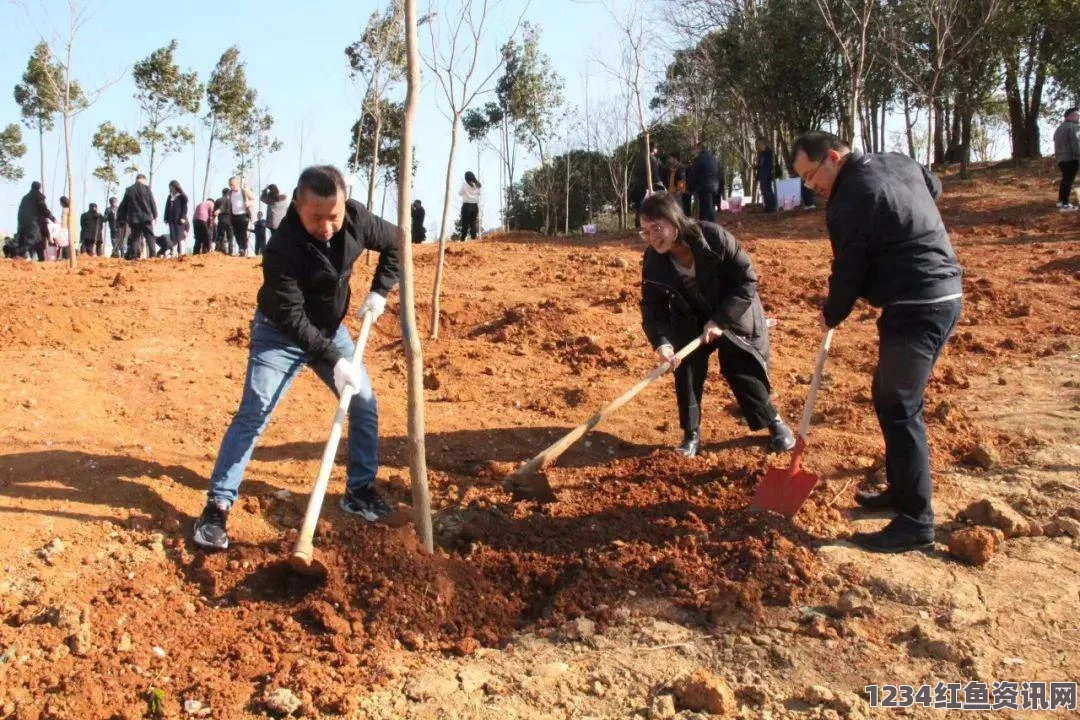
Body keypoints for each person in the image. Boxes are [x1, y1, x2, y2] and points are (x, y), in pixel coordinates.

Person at [192, 165, 402, 551]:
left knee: (365, 403)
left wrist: (381, 290)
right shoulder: (281, 248)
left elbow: (396, 242)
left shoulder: (354, 218)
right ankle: (217, 505)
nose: (326, 226)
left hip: (329, 328)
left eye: (333, 216)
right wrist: (334, 359)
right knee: (256, 408)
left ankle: (359, 491)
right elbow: (291, 317)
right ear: (297, 206)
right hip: (279, 332)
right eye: (316, 218)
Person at [792, 130, 963, 553]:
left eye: (812, 176)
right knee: (889, 397)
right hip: (940, 294)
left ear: (833, 157)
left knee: (901, 406)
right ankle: (901, 493)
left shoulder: (849, 201)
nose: (812, 187)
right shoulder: (899, 162)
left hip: (918, 304)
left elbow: (849, 267)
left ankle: (916, 521)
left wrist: (833, 311)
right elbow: (933, 187)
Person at [639, 192, 795, 458]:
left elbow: (746, 281)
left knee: (738, 367)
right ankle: (691, 435)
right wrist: (663, 343)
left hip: (733, 310)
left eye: (657, 228)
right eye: (645, 231)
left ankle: (774, 422)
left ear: (675, 222)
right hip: (690, 315)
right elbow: (652, 307)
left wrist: (720, 320)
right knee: (686, 368)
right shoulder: (654, 260)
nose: (653, 237)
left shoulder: (713, 238)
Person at [117, 174, 158, 260]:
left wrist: (122, 217)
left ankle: (134, 255)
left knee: (135, 237)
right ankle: (153, 255)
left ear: (136, 179)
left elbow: (124, 205)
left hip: (134, 218)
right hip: (146, 216)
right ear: (143, 179)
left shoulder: (129, 189)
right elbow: (152, 202)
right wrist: (155, 215)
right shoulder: (147, 189)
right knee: (150, 236)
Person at [15, 181, 55, 260]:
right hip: (35, 224)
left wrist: (20, 225)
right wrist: (52, 218)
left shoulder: (25, 198)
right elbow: (43, 209)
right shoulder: (39, 197)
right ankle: (21, 256)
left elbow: (20, 212)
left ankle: (38, 259)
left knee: (31, 243)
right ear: (39, 188)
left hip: (23, 225)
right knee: (34, 241)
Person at [1053, 107, 1079, 211]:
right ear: (1070, 116)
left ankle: (1061, 202)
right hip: (1071, 158)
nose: (1078, 117)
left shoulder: (1059, 128)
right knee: (1068, 181)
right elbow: (1076, 143)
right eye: (1076, 114)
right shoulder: (1073, 127)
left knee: (1065, 180)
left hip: (1061, 159)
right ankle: (1064, 204)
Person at [687, 143, 721, 222]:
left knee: (708, 209)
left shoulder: (699, 159)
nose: (695, 151)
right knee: (705, 208)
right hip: (715, 186)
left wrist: (689, 188)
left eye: (696, 149)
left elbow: (694, 174)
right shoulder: (714, 158)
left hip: (704, 187)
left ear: (699, 149)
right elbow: (720, 172)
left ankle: (714, 228)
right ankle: (702, 226)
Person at [228, 176, 255, 255]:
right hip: (234, 216)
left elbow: (253, 200)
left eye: (232, 184)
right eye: (230, 185)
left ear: (237, 183)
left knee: (242, 232)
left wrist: (249, 203)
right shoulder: (229, 193)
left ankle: (242, 248)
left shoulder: (245, 191)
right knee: (236, 233)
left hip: (243, 215)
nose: (231, 186)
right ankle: (241, 247)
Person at [163, 180, 189, 256]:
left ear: (175, 187)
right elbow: (166, 208)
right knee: (173, 236)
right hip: (171, 219)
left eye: (171, 187)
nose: (170, 189)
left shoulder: (182, 197)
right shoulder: (170, 197)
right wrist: (165, 218)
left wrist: (183, 217)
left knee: (180, 236)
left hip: (179, 219)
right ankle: (174, 252)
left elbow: (185, 208)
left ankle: (182, 252)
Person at [755, 138, 777, 213]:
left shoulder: (769, 152)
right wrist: (756, 166)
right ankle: (767, 206)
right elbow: (761, 164)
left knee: (768, 190)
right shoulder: (761, 153)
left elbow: (771, 164)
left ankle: (772, 206)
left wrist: (771, 173)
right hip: (762, 173)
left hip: (767, 173)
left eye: (759, 144)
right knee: (763, 190)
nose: (758, 146)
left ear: (763, 144)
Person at [458, 171, 482, 241]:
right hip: (475, 206)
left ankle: (463, 238)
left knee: (465, 223)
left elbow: (459, 193)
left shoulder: (464, 185)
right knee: (473, 223)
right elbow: (479, 194)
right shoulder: (477, 185)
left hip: (466, 206)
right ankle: (474, 238)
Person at [214, 188, 233, 253]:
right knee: (230, 237)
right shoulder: (231, 201)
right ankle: (230, 252)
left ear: (222, 193)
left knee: (219, 235)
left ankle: (218, 250)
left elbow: (214, 211)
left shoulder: (218, 200)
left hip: (222, 219)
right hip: (230, 220)